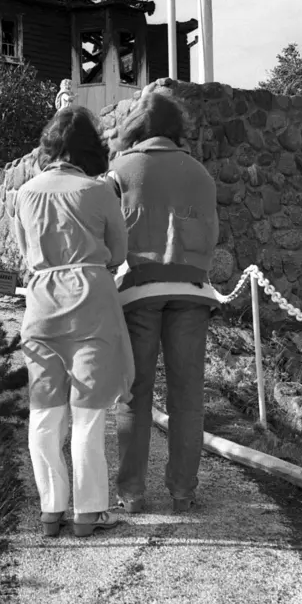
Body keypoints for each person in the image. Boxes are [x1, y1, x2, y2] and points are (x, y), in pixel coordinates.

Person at [12, 106, 133, 538]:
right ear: (89, 149)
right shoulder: (99, 192)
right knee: (88, 415)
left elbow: (26, 255)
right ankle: (89, 513)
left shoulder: (24, 193)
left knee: (44, 413)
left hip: (42, 306)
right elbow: (119, 254)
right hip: (91, 305)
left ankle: (51, 510)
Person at [109, 91, 218, 514]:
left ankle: (132, 493)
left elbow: (108, 232)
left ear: (137, 125)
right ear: (177, 128)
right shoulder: (201, 174)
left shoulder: (120, 170)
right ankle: (183, 492)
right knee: (188, 395)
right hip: (191, 291)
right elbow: (212, 235)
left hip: (138, 290)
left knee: (135, 393)